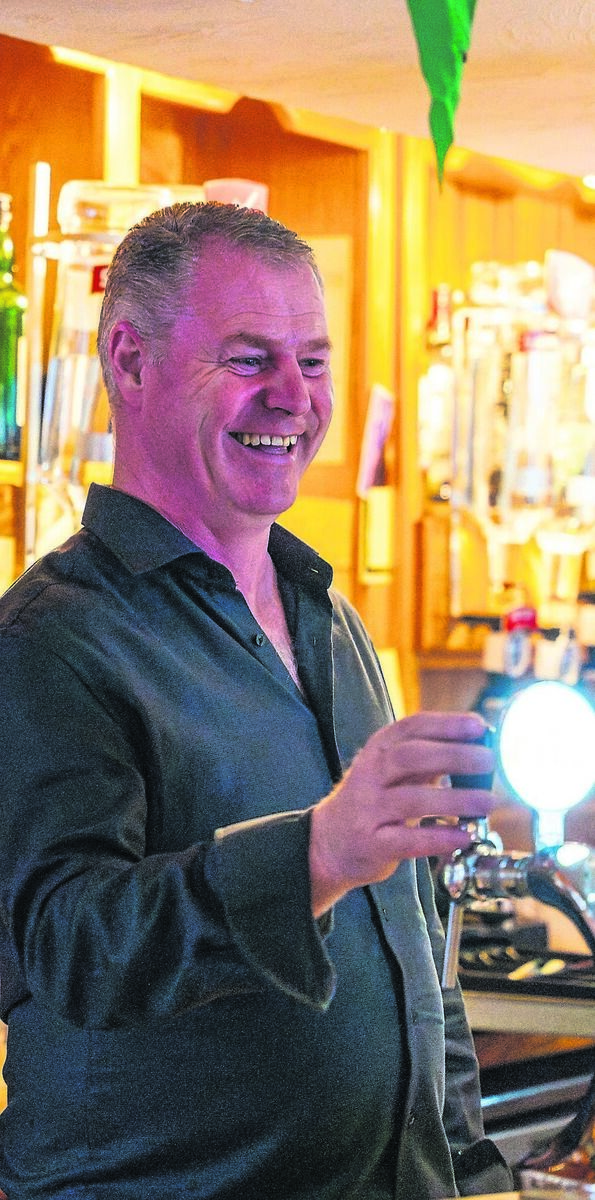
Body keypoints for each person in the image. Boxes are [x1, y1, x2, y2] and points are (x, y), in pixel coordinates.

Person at [0, 202, 513, 1200]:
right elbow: (70, 947)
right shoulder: (48, 643)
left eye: (313, 363)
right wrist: (316, 853)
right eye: (248, 359)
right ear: (131, 363)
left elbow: (410, 943)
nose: (292, 397)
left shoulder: (331, 619)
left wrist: (470, 1171)